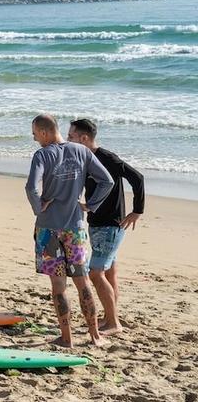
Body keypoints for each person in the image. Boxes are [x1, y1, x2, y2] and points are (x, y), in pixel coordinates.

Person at [26, 113, 114, 348]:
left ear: (44, 132)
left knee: (58, 285)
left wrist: (39, 208)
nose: (35, 139)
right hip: (75, 228)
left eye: (35, 134)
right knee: (83, 282)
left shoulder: (42, 155)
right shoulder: (82, 151)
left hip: (48, 229)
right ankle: (95, 336)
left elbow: (31, 187)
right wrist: (91, 205)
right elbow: (107, 181)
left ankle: (67, 338)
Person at [67, 118, 145, 335]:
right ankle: (109, 318)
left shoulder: (107, 158)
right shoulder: (84, 158)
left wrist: (137, 210)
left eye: (71, 136)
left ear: (84, 138)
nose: (68, 140)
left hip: (110, 225)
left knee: (95, 273)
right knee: (109, 272)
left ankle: (113, 323)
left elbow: (138, 178)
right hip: (98, 224)